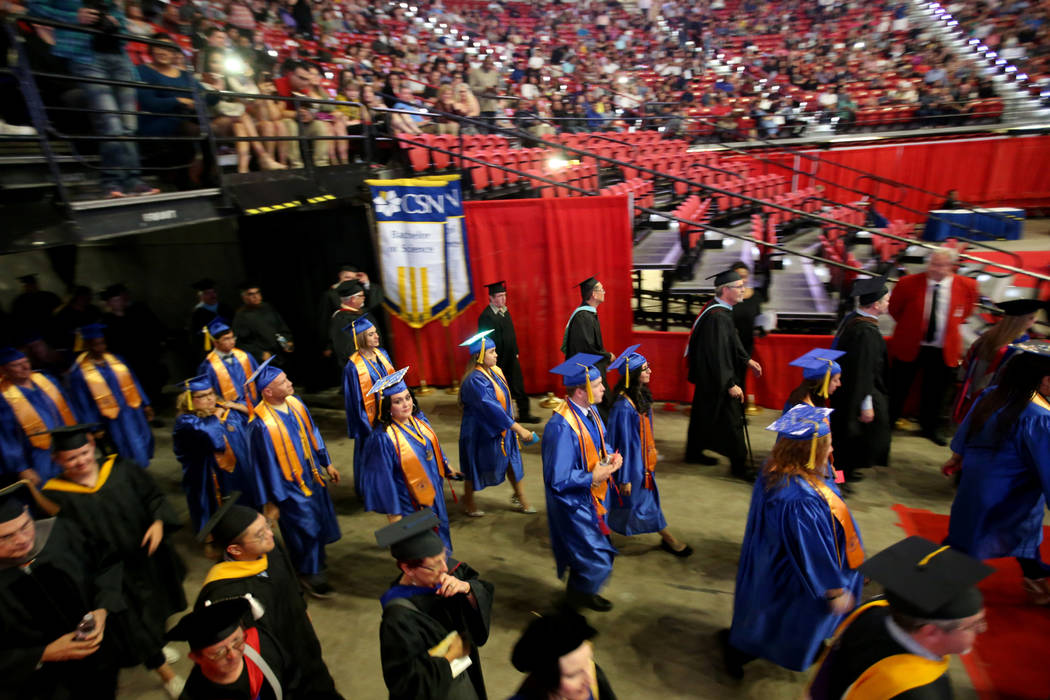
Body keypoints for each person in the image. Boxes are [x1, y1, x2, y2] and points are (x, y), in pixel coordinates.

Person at [41, 424, 187, 697]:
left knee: (155, 610)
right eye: (71, 458)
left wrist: (157, 521)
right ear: (57, 461)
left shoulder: (121, 469)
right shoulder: (54, 496)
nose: (81, 461)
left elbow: (153, 497)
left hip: (145, 561)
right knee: (132, 625)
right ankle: (163, 670)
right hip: (109, 575)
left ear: (92, 448)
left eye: (84, 453)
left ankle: (156, 644)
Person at [722, 405, 864, 677]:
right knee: (781, 616)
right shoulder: (798, 498)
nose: (832, 445)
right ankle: (742, 650)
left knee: (764, 609)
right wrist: (833, 589)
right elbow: (812, 549)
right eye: (828, 442)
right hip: (795, 572)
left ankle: (746, 643)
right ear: (810, 450)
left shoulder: (779, 466)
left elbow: (831, 487)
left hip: (771, 556)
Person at [808, 537, 993, 700]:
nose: (982, 629)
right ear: (931, 632)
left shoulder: (873, 611)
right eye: (972, 625)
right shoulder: (918, 691)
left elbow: (827, 676)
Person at [194, 499, 342, 699]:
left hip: (303, 644)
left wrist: (302, 609)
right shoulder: (226, 595)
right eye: (260, 534)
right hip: (281, 668)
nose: (270, 534)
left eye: (267, 525)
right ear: (235, 550)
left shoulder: (270, 550)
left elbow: (291, 582)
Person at [943, 340, 1050, 604]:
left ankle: (1035, 577)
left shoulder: (993, 394)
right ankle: (942, 595)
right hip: (1010, 491)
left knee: (969, 532)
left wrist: (957, 457)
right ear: (1044, 381)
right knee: (995, 535)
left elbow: (965, 435)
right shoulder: (1038, 415)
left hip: (978, 483)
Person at [0, 481, 123, 699]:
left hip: (98, 659)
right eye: (5, 537)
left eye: (25, 526)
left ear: (28, 513)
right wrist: (43, 654)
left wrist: (103, 608)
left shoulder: (61, 533)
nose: (22, 540)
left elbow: (108, 563)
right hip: (36, 684)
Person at [245, 357, 341, 597]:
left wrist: (326, 462)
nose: (289, 383)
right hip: (287, 487)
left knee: (318, 523)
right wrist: (273, 500)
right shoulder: (261, 425)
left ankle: (317, 565)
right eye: (283, 381)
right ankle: (309, 574)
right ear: (268, 391)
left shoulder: (295, 403)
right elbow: (263, 466)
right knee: (304, 529)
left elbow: (313, 433)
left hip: (312, 477)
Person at [376, 510, 493, 700]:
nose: (445, 569)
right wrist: (448, 657)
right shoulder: (397, 617)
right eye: (435, 565)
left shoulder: (449, 573)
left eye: (444, 558)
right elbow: (406, 685)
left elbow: (481, 589)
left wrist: (468, 589)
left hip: (466, 679)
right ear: (407, 568)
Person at [543, 353, 622, 612]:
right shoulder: (561, 427)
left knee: (590, 554)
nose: (603, 388)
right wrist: (593, 476)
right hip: (574, 504)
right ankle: (573, 605)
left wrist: (610, 457)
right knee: (596, 556)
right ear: (580, 391)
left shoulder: (591, 411)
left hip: (594, 498)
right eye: (598, 384)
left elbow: (600, 443)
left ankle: (582, 594)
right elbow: (558, 478)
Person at [359, 368, 462, 553]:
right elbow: (383, 480)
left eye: (407, 398)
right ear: (387, 407)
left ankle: (445, 572)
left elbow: (434, 449)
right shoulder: (383, 438)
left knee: (442, 534)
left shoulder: (420, 421)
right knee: (423, 549)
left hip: (434, 493)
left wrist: (446, 466)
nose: (406, 404)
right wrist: (394, 515)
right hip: (409, 501)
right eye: (398, 401)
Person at [886, 248, 978, 445]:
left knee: (936, 391)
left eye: (941, 265)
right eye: (933, 264)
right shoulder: (907, 283)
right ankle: (888, 422)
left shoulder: (967, 285)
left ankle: (930, 427)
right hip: (910, 344)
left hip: (943, 349)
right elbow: (895, 310)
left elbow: (966, 313)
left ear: (952, 266)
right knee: (898, 387)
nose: (936, 269)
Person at [605, 346, 691, 556]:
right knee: (639, 503)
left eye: (648, 367)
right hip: (631, 466)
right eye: (645, 369)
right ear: (633, 374)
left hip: (642, 461)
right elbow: (622, 444)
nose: (650, 371)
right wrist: (624, 477)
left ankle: (602, 536)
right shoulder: (624, 407)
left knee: (632, 503)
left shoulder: (640, 396)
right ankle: (668, 539)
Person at [684, 268, 762, 480]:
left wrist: (746, 359)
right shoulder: (718, 317)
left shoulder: (718, 309)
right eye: (739, 287)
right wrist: (730, 383)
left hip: (707, 376)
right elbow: (718, 353)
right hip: (717, 377)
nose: (743, 290)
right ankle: (740, 466)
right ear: (726, 290)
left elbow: (731, 340)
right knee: (733, 420)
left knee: (702, 414)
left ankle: (693, 452)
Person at [457, 330, 538, 517]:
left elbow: (505, 400)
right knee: (474, 465)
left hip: (502, 426)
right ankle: (468, 500)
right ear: (479, 356)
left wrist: (513, 421)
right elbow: (491, 408)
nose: (496, 354)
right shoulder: (474, 380)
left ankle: (520, 496)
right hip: (481, 430)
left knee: (512, 461)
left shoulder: (495, 371)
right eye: (492, 352)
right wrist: (518, 428)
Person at [167, 597, 297, 700]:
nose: (233, 655)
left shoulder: (261, 643)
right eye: (220, 652)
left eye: (237, 642)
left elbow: (294, 679)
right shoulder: (196, 693)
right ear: (196, 658)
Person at [172, 375, 257, 532]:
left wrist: (242, 409)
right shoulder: (185, 421)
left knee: (243, 499)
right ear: (189, 400)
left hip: (237, 467)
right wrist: (216, 417)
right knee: (215, 506)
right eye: (202, 396)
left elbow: (254, 422)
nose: (209, 399)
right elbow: (212, 438)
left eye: (211, 393)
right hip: (207, 473)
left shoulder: (224, 408)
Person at [830, 277, 891, 488]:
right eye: (886, 300)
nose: (888, 304)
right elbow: (864, 372)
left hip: (847, 389)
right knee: (845, 439)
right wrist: (866, 405)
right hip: (855, 393)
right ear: (876, 305)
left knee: (850, 438)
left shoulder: (852, 319)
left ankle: (847, 471)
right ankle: (838, 480)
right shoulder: (865, 332)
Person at [67, 323, 155, 468]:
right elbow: (82, 404)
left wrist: (145, 404)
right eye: (96, 344)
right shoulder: (79, 373)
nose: (101, 348)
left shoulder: (117, 360)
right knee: (122, 448)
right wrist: (94, 427)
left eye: (102, 343)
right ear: (87, 346)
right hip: (110, 419)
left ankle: (142, 471)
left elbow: (133, 381)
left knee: (142, 442)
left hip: (132, 412)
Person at [952, 298, 1045, 423]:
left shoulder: (988, 334)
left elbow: (968, 362)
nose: (1034, 321)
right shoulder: (1019, 346)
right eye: (1030, 318)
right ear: (1018, 320)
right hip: (992, 398)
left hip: (971, 391)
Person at [0, 346, 78, 484]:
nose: (25, 367)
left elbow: (68, 407)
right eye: (16, 365)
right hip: (37, 456)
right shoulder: (3, 397)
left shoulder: (46, 380)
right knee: (50, 490)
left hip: (67, 445)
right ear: (4, 370)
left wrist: (81, 432)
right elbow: (6, 437)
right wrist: (21, 467)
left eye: (26, 362)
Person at [509, 608, 618, 700]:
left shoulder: (592, 678)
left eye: (588, 661)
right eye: (573, 675)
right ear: (546, 680)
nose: (590, 680)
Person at [342, 316, 395, 494]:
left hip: (389, 413)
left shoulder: (383, 355)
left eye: (376, 333)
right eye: (371, 334)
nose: (377, 337)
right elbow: (354, 400)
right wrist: (367, 424)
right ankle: (371, 491)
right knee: (371, 454)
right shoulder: (352, 367)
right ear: (361, 338)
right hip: (370, 420)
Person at [477, 280, 539, 423]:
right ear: (491, 298)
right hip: (497, 359)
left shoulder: (505, 312)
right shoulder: (486, 316)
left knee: (518, 385)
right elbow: (484, 341)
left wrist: (515, 351)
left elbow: (511, 334)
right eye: (499, 296)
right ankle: (501, 416)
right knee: (499, 388)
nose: (503, 299)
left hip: (511, 356)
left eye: (504, 295)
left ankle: (524, 413)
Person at [98, 283, 168, 406]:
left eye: (119, 299)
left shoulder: (135, 314)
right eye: (114, 300)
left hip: (144, 356)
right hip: (125, 360)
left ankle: (154, 405)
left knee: (151, 382)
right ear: (109, 304)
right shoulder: (106, 322)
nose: (118, 303)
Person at [561, 277, 614, 418]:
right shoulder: (583, 317)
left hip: (592, 369)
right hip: (586, 374)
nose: (604, 291)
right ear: (593, 294)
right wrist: (607, 356)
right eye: (601, 289)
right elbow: (586, 349)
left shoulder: (588, 314)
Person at [197, 317, 259, 408]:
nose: (232, 342)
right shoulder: (208, 366)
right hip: (229, 411)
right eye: (226, 339)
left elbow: (259, 378)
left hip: (254, 405)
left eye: (232, 337)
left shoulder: (245, 356)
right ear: (215, 343)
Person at [232, 282, 294, 365]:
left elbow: (281, 326)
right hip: (263, 359)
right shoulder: (241, 316)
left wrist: (287, 340)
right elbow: (240, 342)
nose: (256, 296)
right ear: (244, 297)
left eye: (258, 292)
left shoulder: (268, 308)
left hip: (280, 353)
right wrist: (259, 353)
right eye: (251, 294)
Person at [189, 278, 235, 354]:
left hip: (231, 344)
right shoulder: (197, 314)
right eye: (207, 293)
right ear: (201, 297)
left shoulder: (225, 308)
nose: (212, 296)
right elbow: (195, 337)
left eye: (213, 292)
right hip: (213, 350)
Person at [328, 279, 369, 364]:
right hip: (359, 366)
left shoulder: (360, 313)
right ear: (353, 299)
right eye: (361, 296)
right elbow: (346, 347)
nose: (364, 298)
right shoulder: (341, 318)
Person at [10, 273, 61, 340]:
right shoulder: (19, 301)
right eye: (27, 285)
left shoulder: (49, 296)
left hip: (50, 329)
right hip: (30, 333)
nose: (29, 287)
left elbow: (60, 310)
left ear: (36, 285)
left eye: (31, 284)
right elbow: (16, 318)